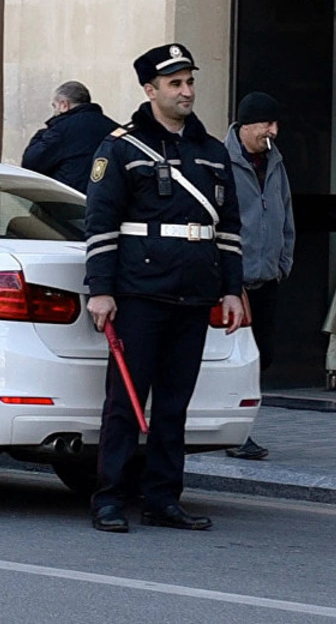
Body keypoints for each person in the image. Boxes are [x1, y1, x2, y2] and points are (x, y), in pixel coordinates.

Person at [84, 44, 245, 532]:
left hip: (194, 294)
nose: (186, 91)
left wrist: (233, 289)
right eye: (175, 84)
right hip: (139, 293)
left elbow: (230, 228)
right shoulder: (121, 148)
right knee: (125, 403)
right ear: (150, 90)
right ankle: (110, 498)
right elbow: (101, 222)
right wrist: (100, 289)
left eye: (190, 81)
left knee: (175, 404)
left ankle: (163, 497)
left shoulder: (213, 152)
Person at [223, 92, 294, 461]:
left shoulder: (275, 162)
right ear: (247, 124)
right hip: (235, 280)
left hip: (266, 278)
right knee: (239, 360)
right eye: (268, 124)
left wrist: (284, 260)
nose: (273, 131)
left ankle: (239, 428)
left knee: (262, 356)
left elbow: (284, 211)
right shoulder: (222, 160)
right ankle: (236, 432)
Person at [21, 81, 119, 192]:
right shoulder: (113, 128)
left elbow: (31, 163)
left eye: (55, 106)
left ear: (64, 105)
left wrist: (43, 132)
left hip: (70, 201)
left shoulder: (60, 131)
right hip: (107, 200)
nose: (54, 111)